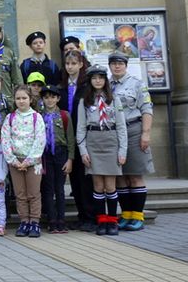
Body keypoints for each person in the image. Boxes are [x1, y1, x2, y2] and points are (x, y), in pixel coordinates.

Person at [75, 65, 127, 236]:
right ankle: (101, 220)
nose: (98, 81)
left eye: (101, 78)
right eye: (94, 78)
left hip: (110, 141)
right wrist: (83, 151)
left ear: (105, 80)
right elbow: (81, 128)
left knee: (110, 186)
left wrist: (122, 151)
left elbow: (121, 127)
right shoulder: (85, 101)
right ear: (90, 81)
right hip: (93, 141)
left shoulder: (114, 100)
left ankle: (112, 221)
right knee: (98, 185)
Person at [108, 50, 155, 231]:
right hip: (115, 134)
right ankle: (126, 214)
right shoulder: (107, 85)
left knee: (135, 175)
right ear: (110, 66)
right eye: (114, 63)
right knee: (120, 176)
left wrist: (146, 133)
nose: (117, 66)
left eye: (120, 63)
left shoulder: (136, 84)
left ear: (126, 65)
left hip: (134, 130)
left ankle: (138, 216)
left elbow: (147, 109)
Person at [2, 85, 46, 238]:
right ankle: (24, 221)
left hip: (33, 162)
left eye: (24, 98)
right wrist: (13, 160)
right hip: (16, 162)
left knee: (33, 193)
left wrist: (29, 161)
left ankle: (34, 221)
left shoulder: (36, 117)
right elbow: (5, 140)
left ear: (30, 99)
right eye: (18, 98)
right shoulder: (10, 118)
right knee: (20, 194)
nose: (21, 101)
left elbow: (40, 140)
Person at [60, 50, 94, 232]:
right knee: (75, 179)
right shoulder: (63, 87)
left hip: (85, 136)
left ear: (81, 64)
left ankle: (91, 216)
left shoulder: (86, 86)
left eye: (74, 63)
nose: (70, 67)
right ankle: (82, 216)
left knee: (85, 178)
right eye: (68, 64)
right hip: (68, 135)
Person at [39, 85, 75, 233]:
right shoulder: (38, 116)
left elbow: (71, 139)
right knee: (48, 189)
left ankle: (61, 220)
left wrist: (70, 159)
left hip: (61, 153)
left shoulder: (65, 115)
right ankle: (52, 220)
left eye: (53, 97)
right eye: (46, 97)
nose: (50, 100)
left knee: (59, 189)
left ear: (58, 98)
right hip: (45, 155)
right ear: (42, 99)